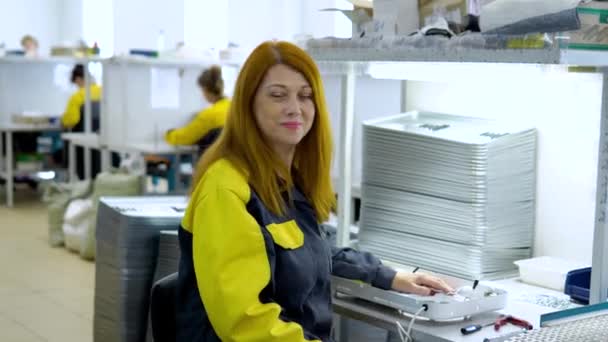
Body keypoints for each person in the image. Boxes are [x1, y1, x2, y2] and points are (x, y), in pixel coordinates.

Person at [175, 41, 454, 342]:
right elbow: (246, 322)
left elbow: (310, 250)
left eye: (305, 96)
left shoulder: (285, 181)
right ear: (248, 103)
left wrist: (388, 275)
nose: (294, 108)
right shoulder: (226, 189)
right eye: (278, 95)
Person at [165, 65, 231, 153]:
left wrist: (169, 134)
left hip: (212, 162)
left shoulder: (210, 114)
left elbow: (186, 137)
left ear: (206, 89)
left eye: (202, 90)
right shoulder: (235, 108)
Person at [61, 64, 103, 180]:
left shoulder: (77, 97)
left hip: (83, 143)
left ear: (78, 79)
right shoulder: (104, 91)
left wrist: (62, 119)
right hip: (102, 139)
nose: (77, 86)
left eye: (76, 83)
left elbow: (71, 120)